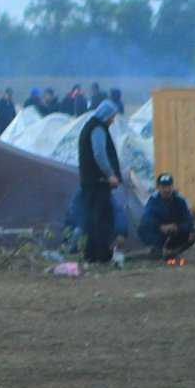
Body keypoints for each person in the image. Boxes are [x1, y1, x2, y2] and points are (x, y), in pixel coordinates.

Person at [77, 100, 123, 265]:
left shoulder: (89, 126)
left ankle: (91, 254)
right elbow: (99, 154)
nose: (113, 120)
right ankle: (103, 255)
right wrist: (110, 174)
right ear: (106, 115)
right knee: (103, 218)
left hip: (89, 181)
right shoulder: (97, 129)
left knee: (92, 217)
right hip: (98, 182)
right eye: (112, 117)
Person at [138, 173, 195, 254]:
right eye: (164, 187)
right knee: (142, 229)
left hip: (176, 233)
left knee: (190, 233)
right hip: (159, 232)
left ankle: (174, 249)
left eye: (169, 186)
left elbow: (189, 222)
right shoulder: (152, 200)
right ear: (158, 187)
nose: (167, 190)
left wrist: (177, 227)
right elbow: (145, 218)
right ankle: (158, 247)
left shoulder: (180, 200)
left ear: (172, 186)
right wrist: (160, 226)